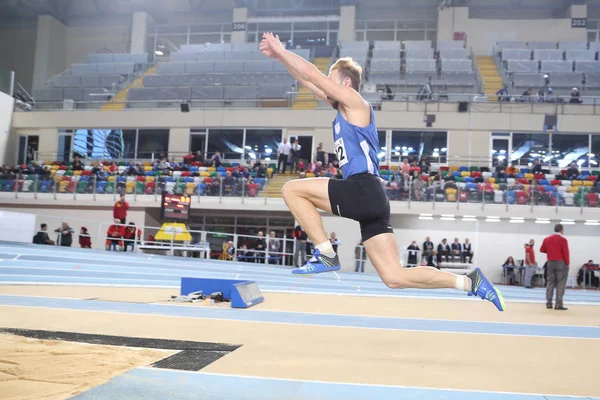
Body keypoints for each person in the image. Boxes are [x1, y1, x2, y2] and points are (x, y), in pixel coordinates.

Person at [260, 32, 504, 311]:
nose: (327, 82)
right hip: (373, 197)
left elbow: (314, 75)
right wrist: (281, 58)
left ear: (347, 83)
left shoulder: (355, 102)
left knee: (291, 190)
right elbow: (307, 80)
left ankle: (326, 253)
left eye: (332, 78)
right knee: (394, 277)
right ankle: (469, 282)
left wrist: (281, 50)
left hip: (362, 188)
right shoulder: (342, 107)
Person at [540, 224, 570, 310]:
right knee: (560, 283)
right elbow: (565, 253)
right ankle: (558, 304)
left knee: (550, 282)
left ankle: (549, 303)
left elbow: (542, 249)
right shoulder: (563, 240)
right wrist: (567, 263)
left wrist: (550, 251)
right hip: (561, 263)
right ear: (561, 230)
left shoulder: (547, 239)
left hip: (550, 263)